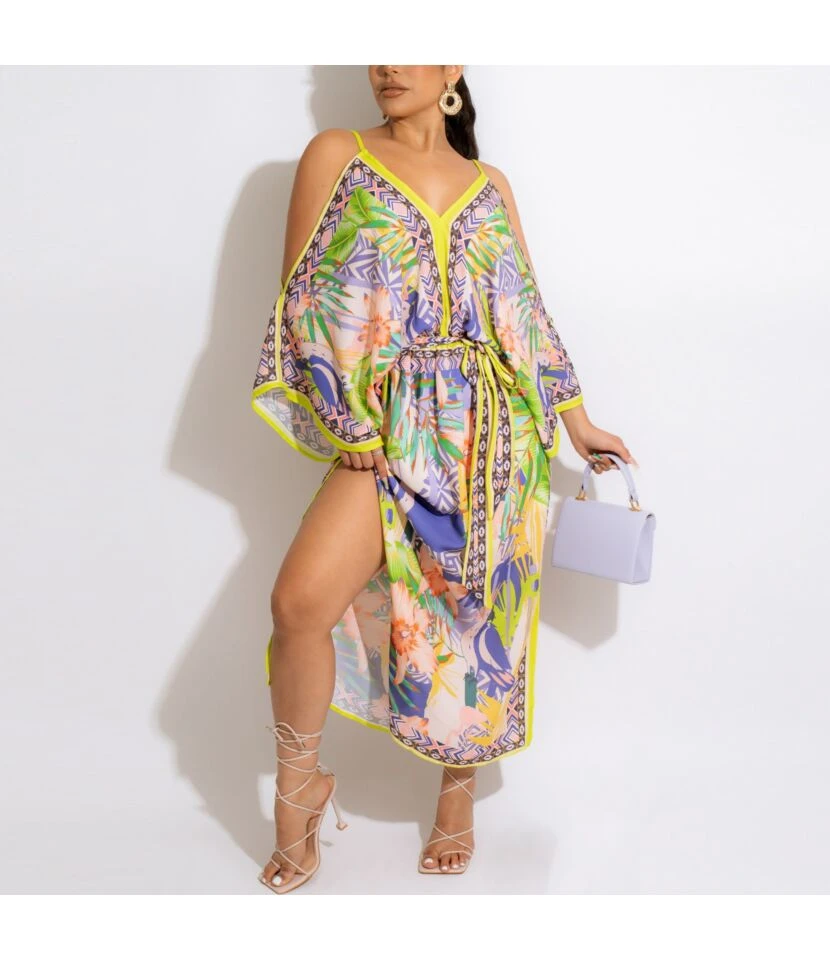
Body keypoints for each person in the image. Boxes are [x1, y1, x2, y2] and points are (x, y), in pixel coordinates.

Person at [250, 65, 637, 894]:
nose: (386, 66)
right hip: (389, 424)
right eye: (374, 48)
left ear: (452, 66)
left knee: (473, 620)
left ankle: (456, 799)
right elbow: (300, 299)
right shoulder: (338, 154)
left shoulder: (490, 184)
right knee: (299, 604)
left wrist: (578, 421)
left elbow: (524, 311)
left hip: (493, 431)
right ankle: (298, 791)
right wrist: (347, 418)